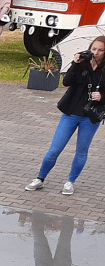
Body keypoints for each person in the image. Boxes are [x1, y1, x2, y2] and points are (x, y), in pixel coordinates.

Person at [24, 36, 105, 196]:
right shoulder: (82, 62)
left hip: (91, 115)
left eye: (100, 50)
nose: (96, 52)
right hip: (72, 112)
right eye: (94, 49)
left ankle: (70, 182)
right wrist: (75, 63)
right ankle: (40, 178)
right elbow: (66, 82)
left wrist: (102, 96)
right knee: (55, 149)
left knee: (82, 151)